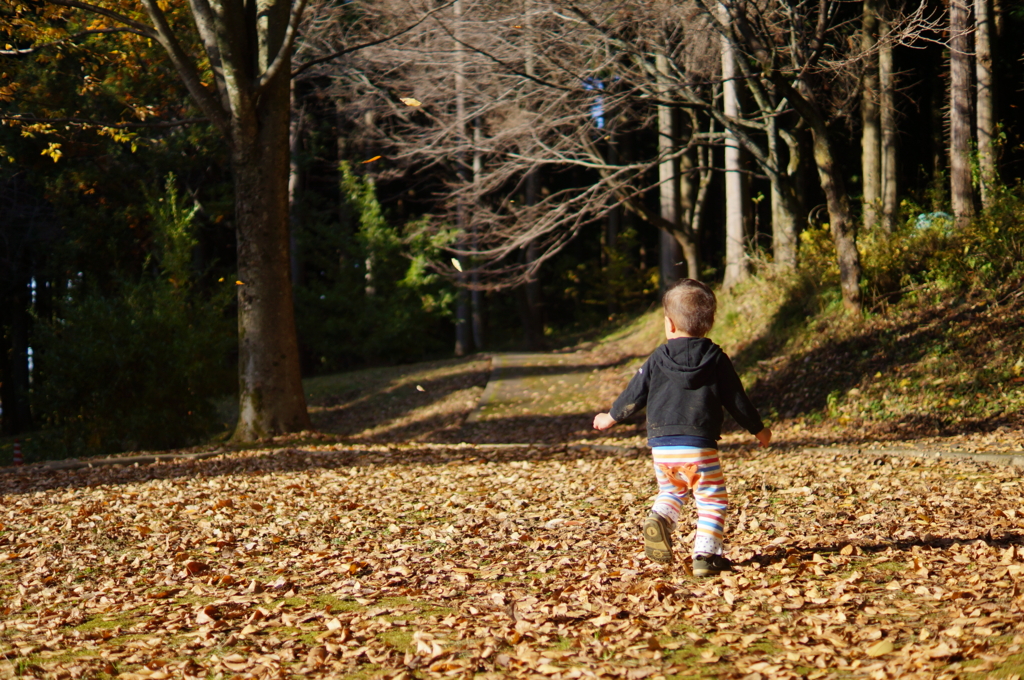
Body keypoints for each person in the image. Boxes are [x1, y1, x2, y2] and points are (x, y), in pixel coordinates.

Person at [593, 279, 771, 577]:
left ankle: (661, 516)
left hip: (663, 446)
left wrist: (611, 417)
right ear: (708, 324)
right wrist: (758, 429)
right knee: (712, 497)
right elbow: (737, 398)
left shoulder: (658, 358)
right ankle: (705, 554)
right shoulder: (716, 359)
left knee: (671, 490)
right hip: (699, 445)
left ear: (669, 324)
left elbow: (634, 392)